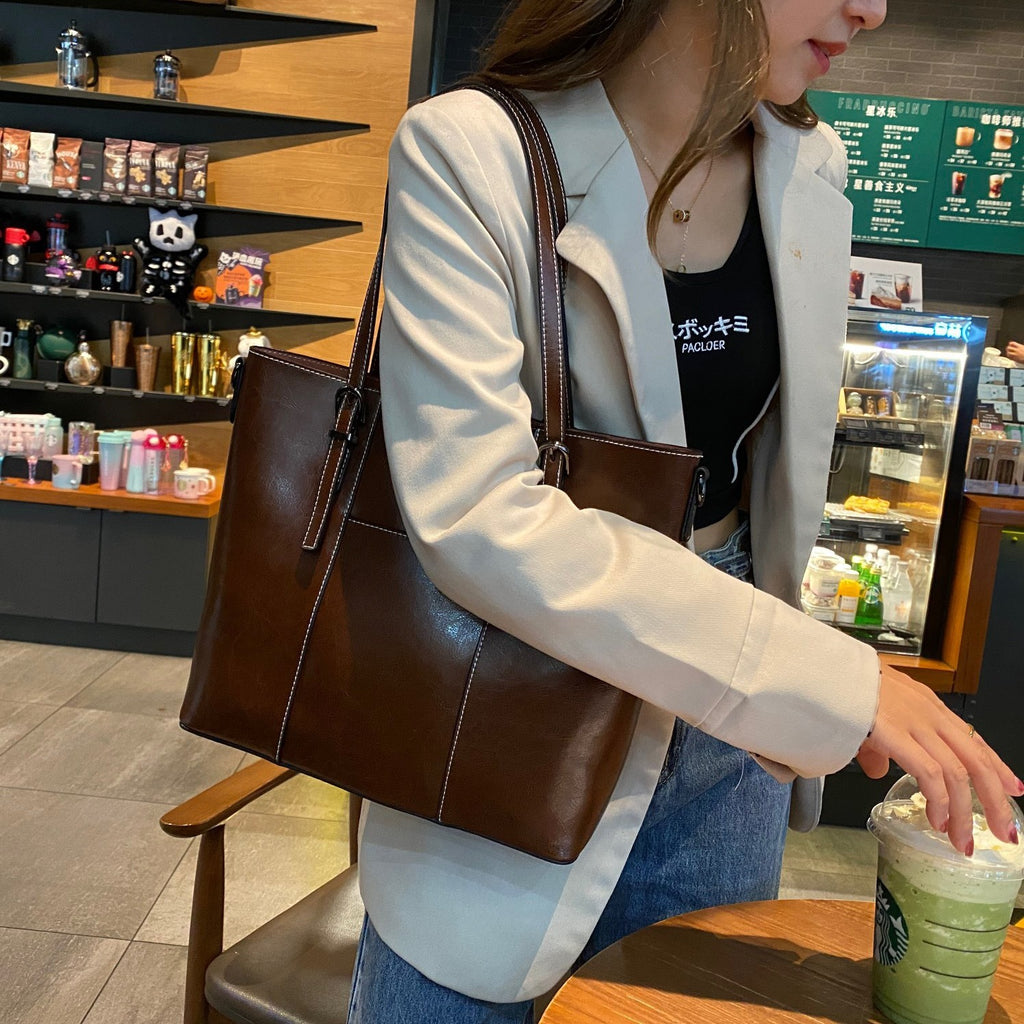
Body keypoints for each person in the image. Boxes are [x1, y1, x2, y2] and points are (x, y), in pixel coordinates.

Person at [348, 1, 1024, 1020]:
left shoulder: (807, 164)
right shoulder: (473, 151)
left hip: (727, 754)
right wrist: (832, 681)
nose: (873, 8)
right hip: (507, 703)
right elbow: (479, 513)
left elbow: (770, 475)